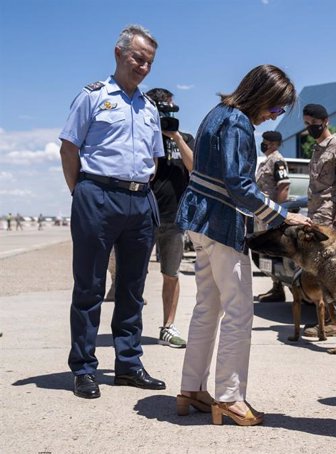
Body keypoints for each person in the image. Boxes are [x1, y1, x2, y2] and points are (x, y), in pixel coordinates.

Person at [175, 64, 311, 426]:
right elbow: (239, 186)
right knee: (238, 312)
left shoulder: (216, 114)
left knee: (207, 306)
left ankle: (191, 388)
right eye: (276, 107)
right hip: (221, 225)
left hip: (199, 222)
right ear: (262, 96)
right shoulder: (237, 122)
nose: (274, 117)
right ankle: (230, 397)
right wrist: (283, 215)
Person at [58, 24, 167, 399]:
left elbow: (155, 158)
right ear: (119, 53)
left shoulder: (149, 106)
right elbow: (69, 149)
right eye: (138, 58)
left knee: (133, 289)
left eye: (149, 61)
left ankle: (128, 364)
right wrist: (82, 193)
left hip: (140, 200)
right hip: (97, 195)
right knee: (90, 286)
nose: (143, 67)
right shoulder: (92, 97)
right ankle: (85, 368)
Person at [300, 103, 336, 337]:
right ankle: (323, 321)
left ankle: (335, 323)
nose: (310, 128)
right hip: (315, 215)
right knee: (316, 271)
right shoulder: (316, 148)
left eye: (314, 124)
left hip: (329, 216)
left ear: (325, 121)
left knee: (329, 272)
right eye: (306, 124)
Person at [254, 130, 290, 302]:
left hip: (271, 214)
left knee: (274, 253)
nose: (263, 144)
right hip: (262, 214)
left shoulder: (277, 160)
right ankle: (276, 288)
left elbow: (283, 187)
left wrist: (279, 213)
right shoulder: (265, 162)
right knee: (265, 254)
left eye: (266, 142)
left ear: (274, 144)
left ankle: (279, 289)